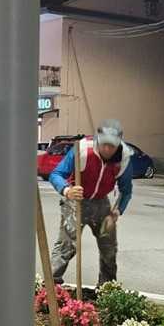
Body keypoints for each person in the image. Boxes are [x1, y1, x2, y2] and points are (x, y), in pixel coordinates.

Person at [49, 119, 133, 286]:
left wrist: (115, 213)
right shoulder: (81, 149)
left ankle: (106, 288)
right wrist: (67, 190)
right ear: (97, 140)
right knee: (66, 246)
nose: (107, 149)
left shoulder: (123, 158)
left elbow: (126, 190)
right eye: (104, 144)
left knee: (109, 248)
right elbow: (56, 174)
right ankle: (51, 288)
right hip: (75, 201)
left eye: (112, 145)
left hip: (102, 204)